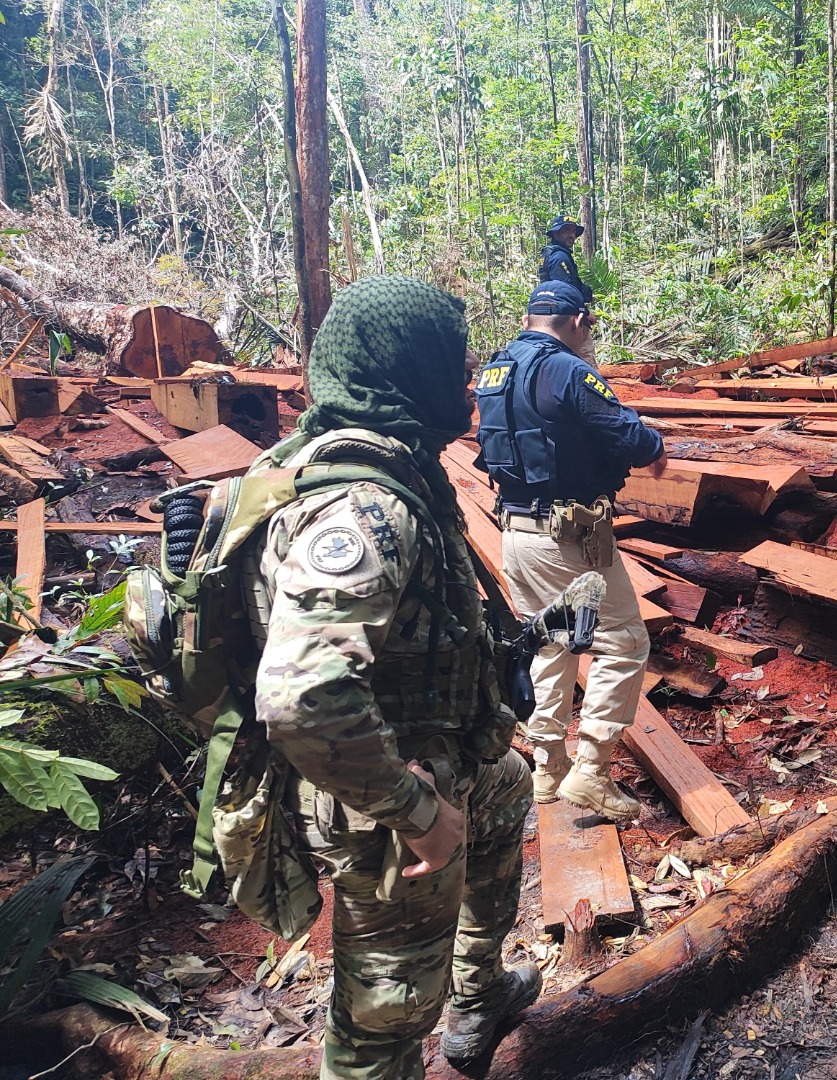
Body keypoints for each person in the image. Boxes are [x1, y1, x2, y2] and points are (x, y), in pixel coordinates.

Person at [245, 276, 540, 1078]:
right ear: (406, 369)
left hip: (446, 758)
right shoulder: (365, 508)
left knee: (509, 785)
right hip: (386, 800)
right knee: (383, 1024)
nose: (470, 374)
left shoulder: (402, 469)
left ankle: (478, 998)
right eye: (454, 357)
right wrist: (416, 813)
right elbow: (302, 697)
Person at [474, 280, 665, 821]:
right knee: (623, 641)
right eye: (591, 327)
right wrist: (655, 448)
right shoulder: (566, 369)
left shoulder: (496, 369)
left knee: (550, 642)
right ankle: (592, 771)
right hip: (567, 537)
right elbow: (631, 437)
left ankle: (546, 765)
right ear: (578, 321)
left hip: (515, 532)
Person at [537, 213, 594, 304]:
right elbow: (564, 291)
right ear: (555, 233)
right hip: (559, 306)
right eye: (566, 230)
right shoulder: (559, 257)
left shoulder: (549, 253)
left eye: (573, 231)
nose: (571, 235)